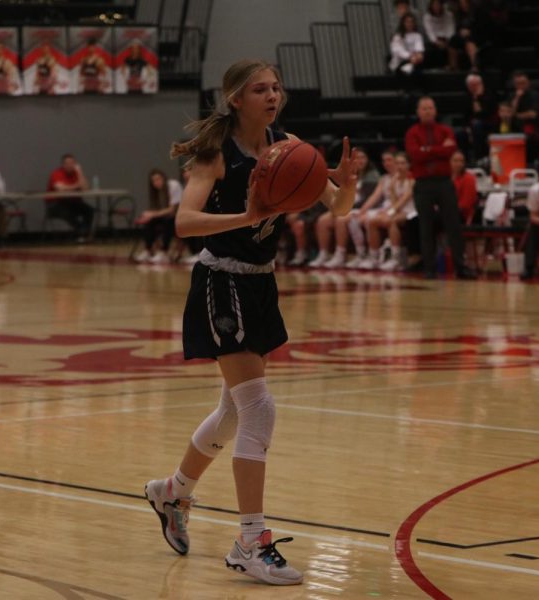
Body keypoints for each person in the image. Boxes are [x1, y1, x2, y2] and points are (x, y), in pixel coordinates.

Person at [143, 58, 357, 586]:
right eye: (260, 88)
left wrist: (347, 187)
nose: (272, 95)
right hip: (221, 283)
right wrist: (249, 215)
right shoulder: (215, 153)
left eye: (276, 86)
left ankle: (173, 491)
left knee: (234, 413)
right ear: (236, 98)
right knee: (258, 408)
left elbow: (338, 210)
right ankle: (250, 541)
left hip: (261, 281)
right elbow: (185, 222)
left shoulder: (288, 145)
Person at [405, 96, 473, 279]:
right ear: (418, 112)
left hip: (444, 181)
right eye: (424, 108)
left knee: (454, 225)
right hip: (423, 184)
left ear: (435, 110)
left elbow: (450, 150)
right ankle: (429, 268)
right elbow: (415, 155)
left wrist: (427, 150)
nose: (427, 111)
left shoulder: (445, 130)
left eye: (430, 108)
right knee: (425, 226)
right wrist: (437, 150)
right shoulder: (412, 132)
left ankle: (461, 266)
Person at [312, 150, 396, 269]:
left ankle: (362, 255)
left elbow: (370, 198)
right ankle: (325, 254)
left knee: (345, 219)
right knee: (322, 220)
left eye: (363, 158)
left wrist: (356, 209)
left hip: (369, 208)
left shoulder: (373, 176)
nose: (360, 161)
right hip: (356, 207)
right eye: (357, 158)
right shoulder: (377, 177)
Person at [360, 152, 416, 271]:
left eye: (402, 163)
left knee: (391, 221)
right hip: (398, 209)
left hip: (411, 210)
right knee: (373, 221)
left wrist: (390, 213)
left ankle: (395, 259)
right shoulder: (394, 180)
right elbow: (395, 201)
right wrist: (391, 188)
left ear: (408, 165)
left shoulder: (412, 180)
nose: (400, 166)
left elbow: (404, 201)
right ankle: (374, 257)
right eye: (397, 163)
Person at [134, 169, 183, 264]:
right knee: (149, 221)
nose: (156, 182)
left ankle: (164, 252)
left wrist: (153, 214)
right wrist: (149, 215)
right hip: (165, 215)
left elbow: (172, 210)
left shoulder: (173, 185)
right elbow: (157, 210)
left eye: (158, 179)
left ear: (164, 178)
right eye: (154, 181)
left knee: (168, 222)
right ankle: (148, 250)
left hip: (178, 216)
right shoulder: (156, 192)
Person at [46, 154, 93, 242]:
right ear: (63, 165)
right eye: (67, 163)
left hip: (71, 202)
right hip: (56, 204)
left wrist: (80, 172)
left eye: (72, 163)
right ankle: (82, 233)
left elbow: (85, 188)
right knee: (69, 213)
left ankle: (84, 235)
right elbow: (60, 189)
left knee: (89, 210)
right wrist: (76, 185)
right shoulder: (56, 173)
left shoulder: (76, 173)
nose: (70, 165)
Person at [457, 72, 497, 162]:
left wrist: (477, 99)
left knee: (477, 125)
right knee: (460, 134)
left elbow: (484, 113)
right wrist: (467, 128)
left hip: (490, 124)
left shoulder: (489, 95)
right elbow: (465, 116)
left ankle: (478, 157)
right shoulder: (466, 97)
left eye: (476, 85)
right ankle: (465, 160)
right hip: (473, 126)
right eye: (471, 85)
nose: (474, 87)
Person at [389, 13, 425, 90]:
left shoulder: (417, 36)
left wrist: (418, 56)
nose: (410, 24)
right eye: (407, 22)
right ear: (403, 23)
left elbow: (419, 49)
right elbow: (398, 51)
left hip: (415, 61)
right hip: (400, 63)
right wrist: (410, 57)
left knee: (417, 72)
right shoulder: (397, 36)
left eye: (411, 22)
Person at [448, 0, 479, 71]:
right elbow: (458, 27)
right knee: (453, 40)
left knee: (469, 40)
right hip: (462, 35)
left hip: (475, 35)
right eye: (461, 3)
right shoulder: (459, 14)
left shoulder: (477, 12)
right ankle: (453, 65)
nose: (463, 5)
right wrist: (461, 32)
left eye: (464, 3)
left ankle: (475, 65)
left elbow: (482, 27)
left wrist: (470, 31)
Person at [422, 0, 454, 68]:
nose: (436, 7)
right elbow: (429, 31)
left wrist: (448, 40)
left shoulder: (448, 15)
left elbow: (450, 28)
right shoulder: (427, 17)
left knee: (452, 45)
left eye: (438, 4)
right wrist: (436, 42)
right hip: (434, 39)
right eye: (434, 5)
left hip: (446, 38)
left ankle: (451, 66)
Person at [451, 150, 478, 223]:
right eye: (455, 161)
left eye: (461, 161)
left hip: (461, 214)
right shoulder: (445, 178)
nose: (459, 164)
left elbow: (466, 204)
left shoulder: (469, 178)